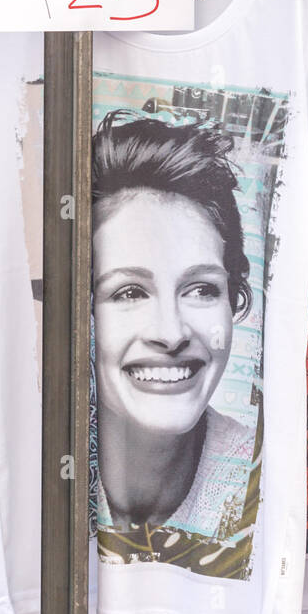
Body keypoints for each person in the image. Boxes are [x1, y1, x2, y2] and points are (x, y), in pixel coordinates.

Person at [90, 109, 257, 550]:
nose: (171, 332)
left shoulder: (274, 480)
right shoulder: (38, 470)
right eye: (128, 293)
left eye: (201, 289)